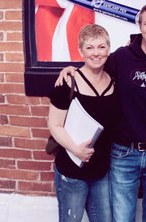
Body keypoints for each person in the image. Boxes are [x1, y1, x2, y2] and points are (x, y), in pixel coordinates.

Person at [56, 2, 146, 222]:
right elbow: (94, 65)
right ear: (139, 25)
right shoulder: (121, 58)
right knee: (122, 218)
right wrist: (71, 69)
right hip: (123, 153)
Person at [48, 24, 121, 222]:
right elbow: (54, 125)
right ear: (80, 51)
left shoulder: (115, 81)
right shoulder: (68, 82)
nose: (96, 53)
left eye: (101, 47)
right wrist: (76, 149)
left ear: (108, 49)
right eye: (89, 48)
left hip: (101, 172)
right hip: (72, 170)